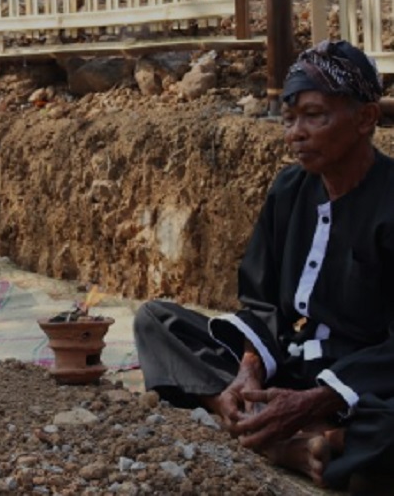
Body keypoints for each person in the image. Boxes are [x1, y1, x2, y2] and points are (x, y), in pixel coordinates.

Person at [134, 39, 394, 492]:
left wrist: (315, 401)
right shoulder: (289, 189)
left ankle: (314, 435)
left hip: (362, 385)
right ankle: (268, 431)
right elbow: (263, 301)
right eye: (290, 118)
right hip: (291, 367)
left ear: (365, 119)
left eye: (315, 116)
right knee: (156, 321)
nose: (296, 133)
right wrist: (249, 369)